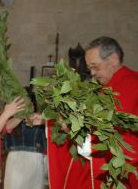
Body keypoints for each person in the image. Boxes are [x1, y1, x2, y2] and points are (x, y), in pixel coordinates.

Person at [47, 36, 138, 189]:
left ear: (113, 59)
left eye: (95, 66)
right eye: (90, 68)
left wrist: (81, 135)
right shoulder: (101, 91)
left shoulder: (132, 86)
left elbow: (126, 139)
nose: (92, 73)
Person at [4, 87, 47, 189]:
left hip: (35, 159)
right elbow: (6, 127)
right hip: (15, 160)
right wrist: (22, 114)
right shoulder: (10, 117)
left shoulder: (39, 117)